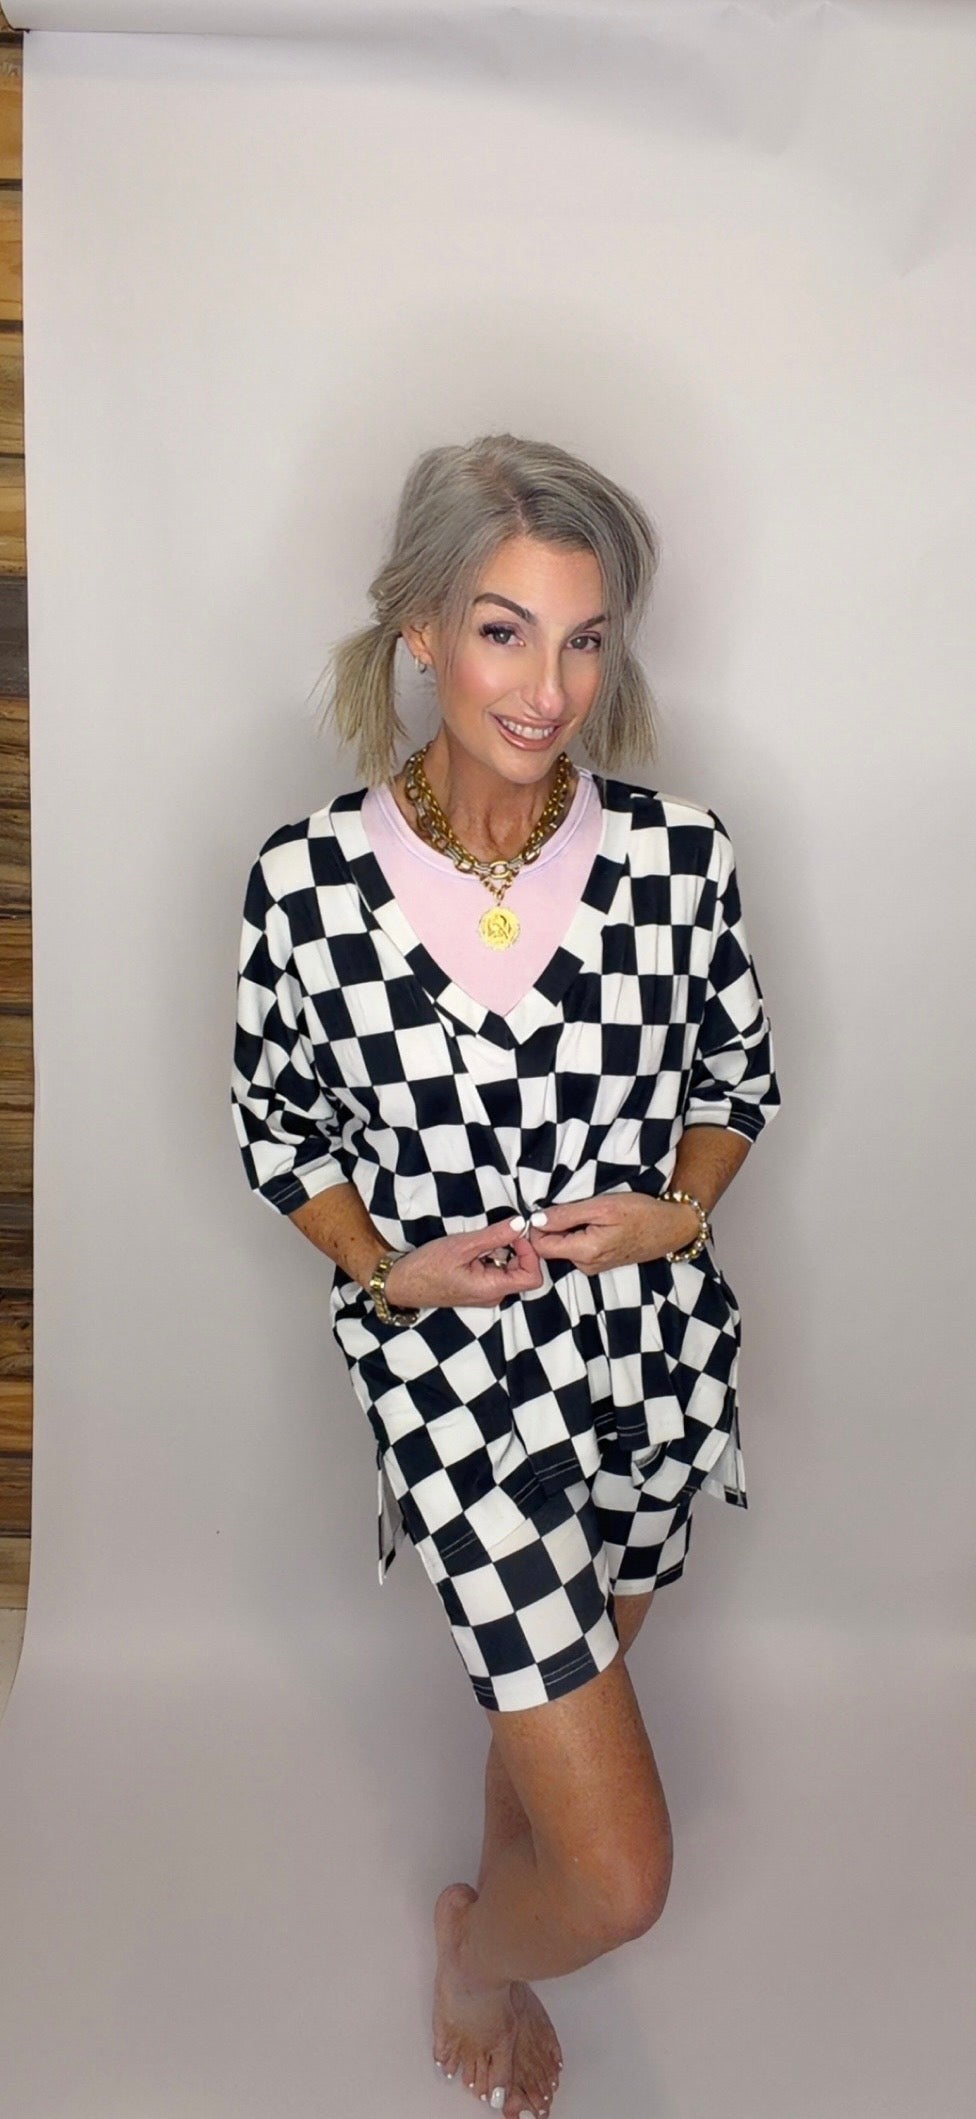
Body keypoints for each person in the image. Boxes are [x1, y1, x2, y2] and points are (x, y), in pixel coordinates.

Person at [230, 432, 781, 2119]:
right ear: (417, 627)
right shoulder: (307, 888)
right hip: (460, 1399)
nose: (550, 690)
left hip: (649, 1372)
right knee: (619, 1878)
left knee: (551, 1712)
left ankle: (498, 1911)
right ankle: (479, 1951)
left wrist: (676, 1216)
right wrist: (383, 1267)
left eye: (586, 638)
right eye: (502, 631)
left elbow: (734, 1084)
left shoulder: (679, 858)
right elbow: (278, 1125)